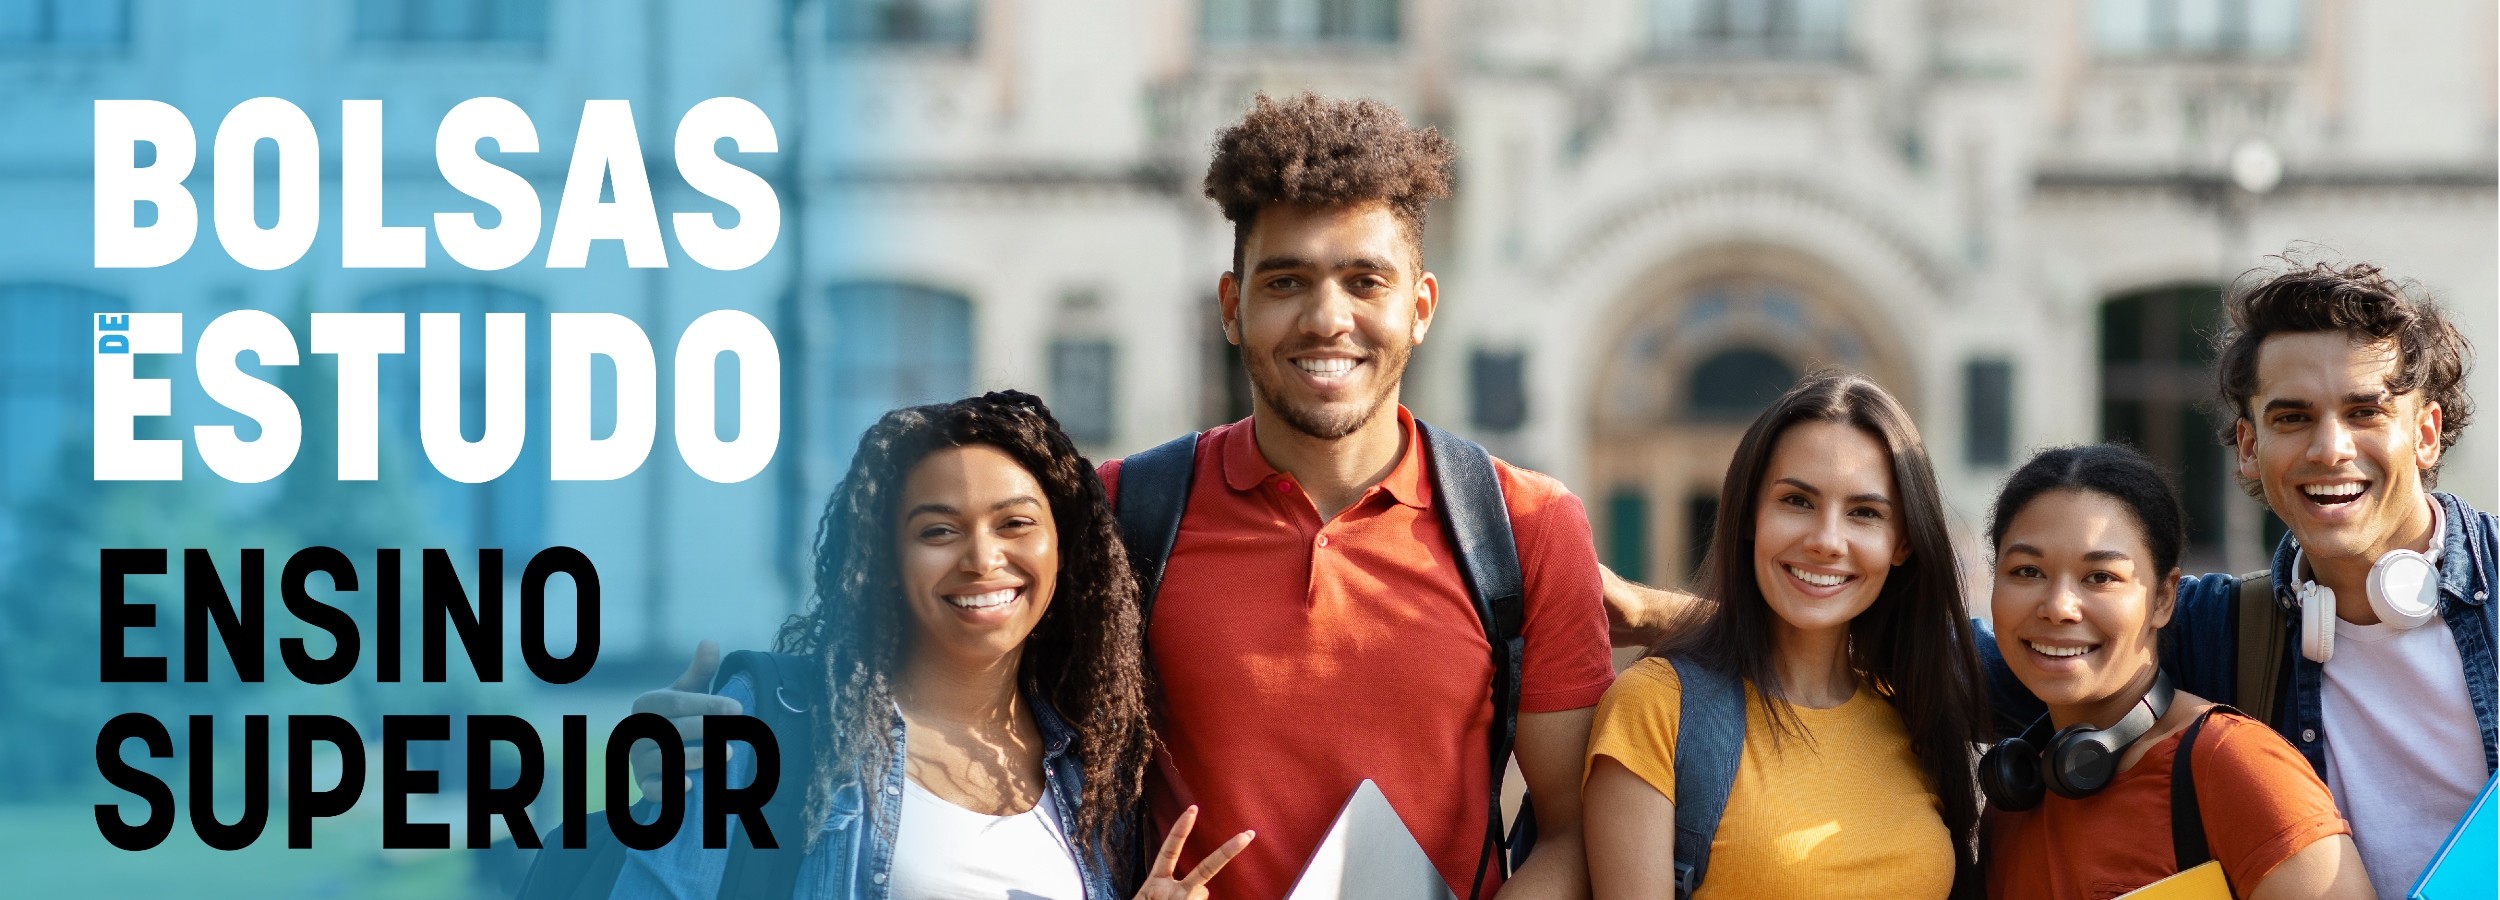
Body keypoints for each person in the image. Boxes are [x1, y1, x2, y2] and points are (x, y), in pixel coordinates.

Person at [635, 94, 1615, 899]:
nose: (1328, 319)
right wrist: (747, 724)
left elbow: (1570, 835)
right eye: (1285, 282)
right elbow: (928, 663)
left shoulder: (1523, 528)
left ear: (1421, 305)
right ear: (1231, 308)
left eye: (1365, 280)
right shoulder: (1121, 513)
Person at [1605, 260, 2497, 899]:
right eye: (2293, 415)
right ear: (2249, 447)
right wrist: (1652, 613)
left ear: (2426, 435)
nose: (2330, 447)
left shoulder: (2228, 745)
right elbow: (1921, 648)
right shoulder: (2228, 629)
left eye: (2365, 411)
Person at [608, 392, 1252, 899]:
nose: (981, 558)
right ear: (887, 559)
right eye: (938, 530)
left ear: (1064, 548)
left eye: (1016, 524)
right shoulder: (776, 720)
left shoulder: (1091, 768)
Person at [1583, 371, 1990, 899]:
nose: (1826, 540)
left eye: (1865, 513)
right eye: (1797, 501)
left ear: (1903, 543)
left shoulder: (1919, 708)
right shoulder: (1659, 706)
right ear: (1751, 514)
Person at [1981, 443, 2369, 898]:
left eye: (2100, 577)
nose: (2059, 607)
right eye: (2027, 572)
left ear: (2164, 598)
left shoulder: (2233, 767)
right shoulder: (2014, 800)